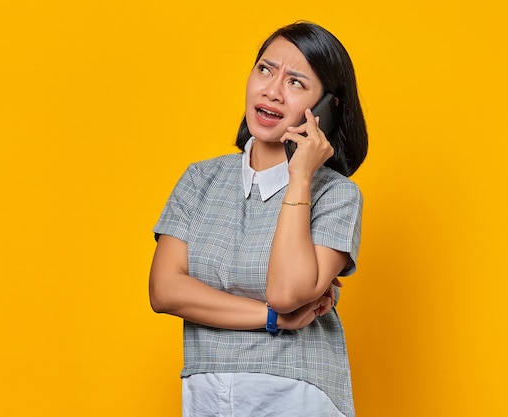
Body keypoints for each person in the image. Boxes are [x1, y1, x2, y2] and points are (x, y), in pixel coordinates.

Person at [149, 21, 368, 417]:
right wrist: (273, 318)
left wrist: (300, 176)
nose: (272, 89)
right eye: (265, 69)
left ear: (326, 110)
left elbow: (286, 291)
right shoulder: (201, 179)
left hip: (297, 396)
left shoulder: (336, 195)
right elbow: (164, 290)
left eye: (296, 82)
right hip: (206, 395)